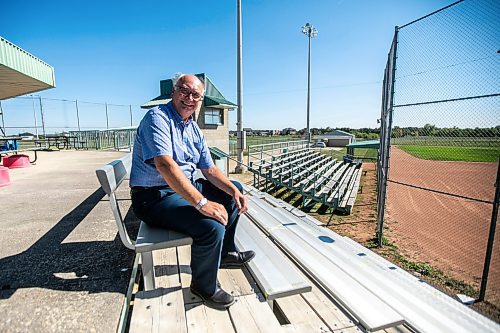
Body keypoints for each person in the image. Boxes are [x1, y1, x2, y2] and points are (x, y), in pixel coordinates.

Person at [130, 73, 254, 309]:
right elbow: (165, 165)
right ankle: (203, 286)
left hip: (180, 188)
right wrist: (201, 203)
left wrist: (233, 191)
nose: (189, 98)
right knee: (211, 225)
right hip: (153, 197)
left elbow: (208, 168)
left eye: (195, 95)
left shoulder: (192, 128)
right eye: (184, 91)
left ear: (200, 100)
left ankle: (225, 254)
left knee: (233, 190)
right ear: (173, 92)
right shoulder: (157, 118)